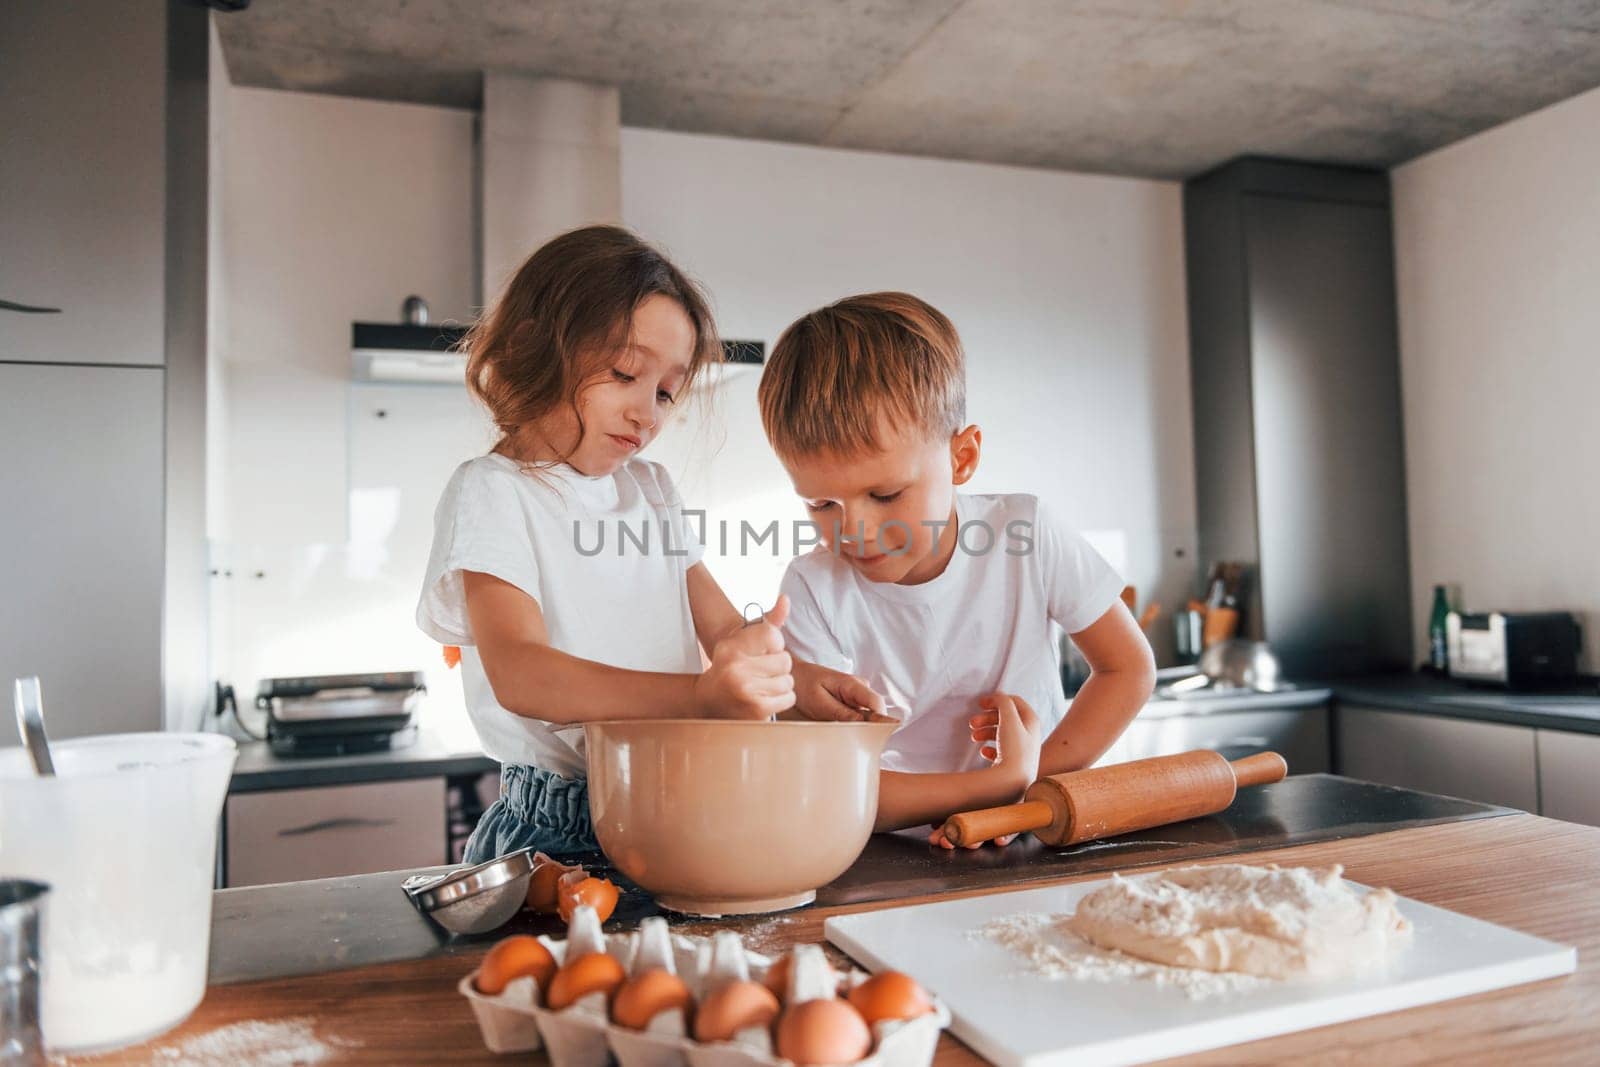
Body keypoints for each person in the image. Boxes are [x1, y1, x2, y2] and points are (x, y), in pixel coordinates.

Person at [416, 226, 879, 861]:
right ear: (534, 346)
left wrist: (788, 679)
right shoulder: (495, 492)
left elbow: (721, 631)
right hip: (560, 830)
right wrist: (698, 698)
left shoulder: (651, 489)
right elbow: (522, 673)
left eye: (665, 391)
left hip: (672, 799)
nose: (648, 412)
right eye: (625, 373)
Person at [758, 291, 1156, 848]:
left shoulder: (1025, 531)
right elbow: (834, 789)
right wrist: (994, 788)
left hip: (1032, 833)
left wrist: (1028, 788)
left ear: (961, 458)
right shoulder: (810, 586)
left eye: (886, 492)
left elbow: (1128, 669)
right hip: (894, 853)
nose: (854, 530)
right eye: (822, 505)